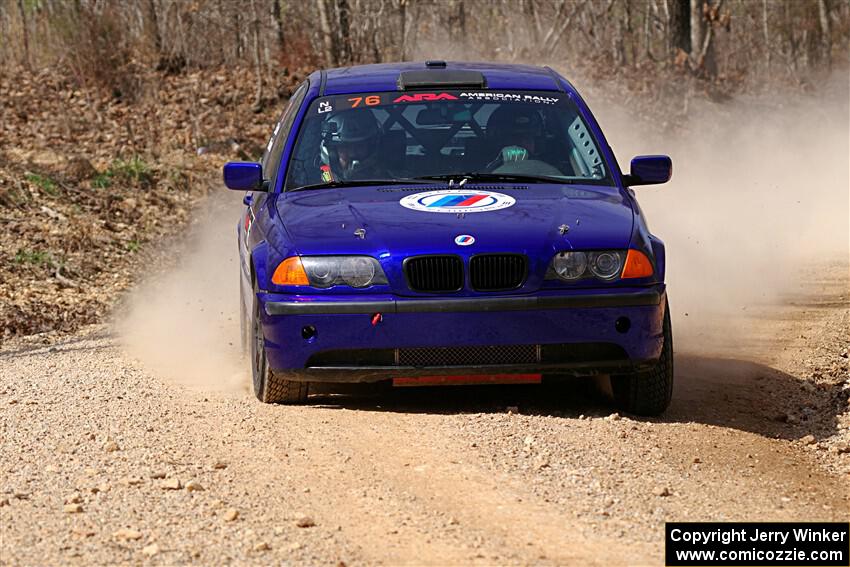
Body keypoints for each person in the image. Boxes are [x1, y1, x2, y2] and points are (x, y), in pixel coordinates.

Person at [320, 110, 386, 181]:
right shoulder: (313, 185)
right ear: (331, 152)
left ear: (371, 148)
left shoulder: (391, 182)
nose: (353, 153)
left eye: (359, 146)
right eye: (346, 147)